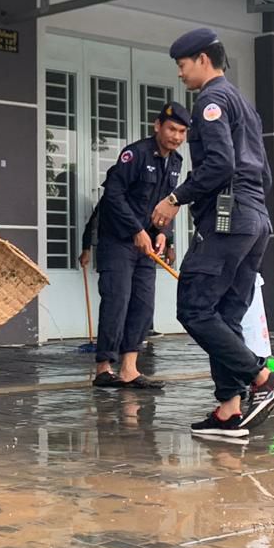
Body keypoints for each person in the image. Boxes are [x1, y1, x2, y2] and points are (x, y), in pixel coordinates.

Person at [149, 28, 274, 439]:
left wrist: (175, 198)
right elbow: (263, 173)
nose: (180, 74)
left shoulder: (211, 101)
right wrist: (251, 209)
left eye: (182, 65)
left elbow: (220, 165)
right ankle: (229, 410)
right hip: (255, 219)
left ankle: (262, 378)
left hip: (229, 221)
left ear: (202, 59)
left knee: (194, 308)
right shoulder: (243, 103)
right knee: (226, 316)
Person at [91, 102, 189, 389]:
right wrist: (136, 229)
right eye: (172, 129)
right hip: (118, 241)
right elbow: (113, 195)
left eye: (182, 132)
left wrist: (163, 234)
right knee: (116, 301)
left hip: (147, 246)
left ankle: (129, 369)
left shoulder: (176, 162)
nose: (176, 136)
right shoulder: (135, 154)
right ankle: (104, 368)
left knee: (143, 305)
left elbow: (166, 205)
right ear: (157, 126)